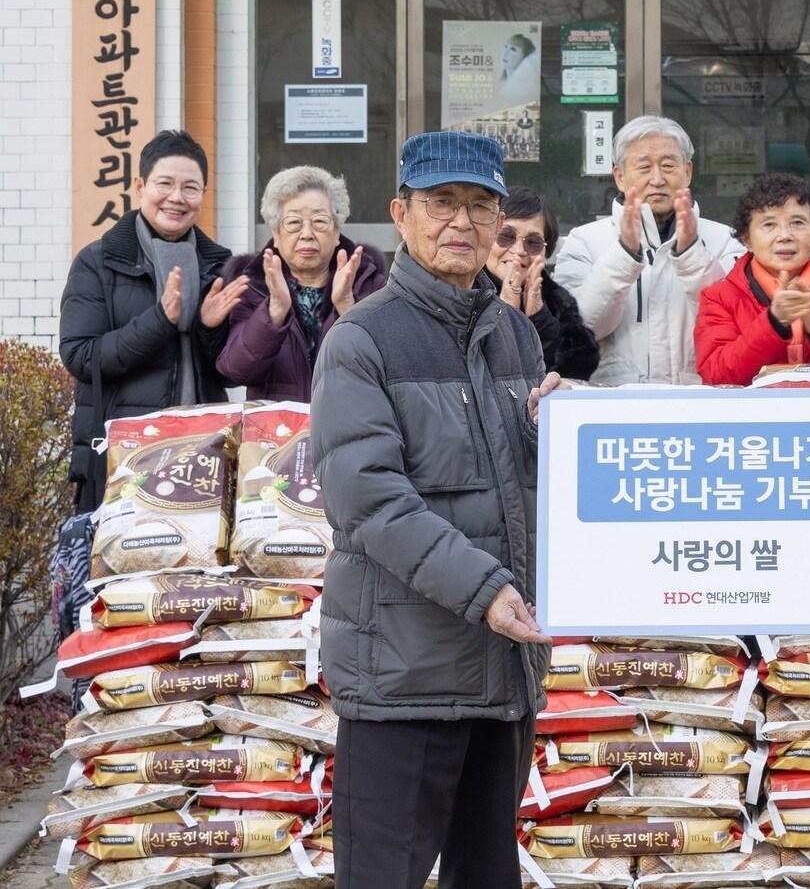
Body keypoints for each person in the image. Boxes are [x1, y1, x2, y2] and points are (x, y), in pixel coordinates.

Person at [311, 130, 560, 889]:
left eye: (480, 205)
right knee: (384, 875)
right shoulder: (362, 339)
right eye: (441, 203)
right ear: (402, 215)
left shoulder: (514, 333)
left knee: (487, 874)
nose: (462, 221)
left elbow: (520, 486)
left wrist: (559, 436)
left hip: (502, 668)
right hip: (404, 671)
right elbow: (368, 499)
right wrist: (486, 590)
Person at [60, 130, 249, 512]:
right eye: (165, 184)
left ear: (203, 195)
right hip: (122, 458)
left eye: (190, 187)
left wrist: (210, 330)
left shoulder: (219, 264)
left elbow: (231, 373)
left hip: (203, 456)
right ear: (140, 186)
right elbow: (81, 356)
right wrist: (160, 320)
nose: (177, 198)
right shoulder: (98, 261)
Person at [554, 115, 743, 384]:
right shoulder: (583, 241)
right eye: (643, 167)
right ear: (619, 176)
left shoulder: (725, 239)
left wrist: (690, 252)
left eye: (668, 165)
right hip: (612, 407)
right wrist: (625, 255)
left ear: (687, 172)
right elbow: (578, 330)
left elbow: (733, 323)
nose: (657, 179)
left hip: (699, 405)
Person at [217, 166, 387, 401]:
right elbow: (237, 370)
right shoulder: (252, 285)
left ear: (337, 231)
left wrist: (347, 306)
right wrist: (274, 311)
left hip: (349, 429)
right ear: (276, 234)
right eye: (294, 223)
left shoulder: (368, 282)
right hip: (276, 432)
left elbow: (389, 365)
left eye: (319, 221)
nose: (307, 233)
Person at [694, 174, 810, 385]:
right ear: (747, 239)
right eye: (769, 225)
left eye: (797, 223)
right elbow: (716, 374)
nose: (785, 235)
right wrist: (774, 322)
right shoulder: (720, 297)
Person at [483, 187, 599, 381]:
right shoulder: (462, 293)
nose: (519, 250)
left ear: (546, 251)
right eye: (506, 236)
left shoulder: (556, 300)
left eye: (533, 242)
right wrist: (505, 319)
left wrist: (539, 320)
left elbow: (580, 365)